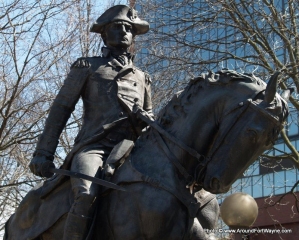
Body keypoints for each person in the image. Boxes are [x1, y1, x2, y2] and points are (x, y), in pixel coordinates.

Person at [29, 5, 153, 240]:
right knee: (86, 194)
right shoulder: (88, 67)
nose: (124, 32)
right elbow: (61, 109)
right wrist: (43, 153)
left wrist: (146, 119)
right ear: (104, 34)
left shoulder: (143, 77)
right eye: (117, 27)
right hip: (94, 147)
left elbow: (149, 119)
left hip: (131, 150)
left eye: (129, 29)